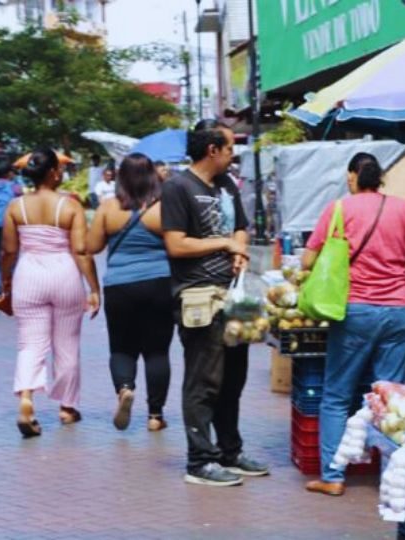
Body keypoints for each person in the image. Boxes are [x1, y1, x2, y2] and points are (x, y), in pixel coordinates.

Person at [302, 153, 405, 497]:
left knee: (336, 396)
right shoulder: (403, 207)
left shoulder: (339, 209)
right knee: (391, 398)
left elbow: (308, 260)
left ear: (354, 176)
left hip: (356, 311)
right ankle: (392, 476)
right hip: (400, 310)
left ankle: (332, 475)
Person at [161, 119, 268, 487]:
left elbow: (240, 226)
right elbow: (176, 244)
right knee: (203, 380)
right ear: (212, 150)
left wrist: (238, 247)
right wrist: (224, 244)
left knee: (232, 379)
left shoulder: (225, 184)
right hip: (198, 295)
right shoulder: (178, 188)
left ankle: (229, 451)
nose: (232, 154)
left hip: (232, 294)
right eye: (228, 148)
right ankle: (200, 461)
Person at [0, 148, 100, 437]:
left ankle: (27, 400)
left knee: (30, 343)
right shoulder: (69, 206)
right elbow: (81, 251)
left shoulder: (16, 207)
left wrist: (5, 283)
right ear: (54, 172)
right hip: (64, 274)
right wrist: (94, 288)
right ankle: (67, 407)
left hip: (28, 274)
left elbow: (8, 251)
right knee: (66, 343)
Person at [88, 153, 173, 432]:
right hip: (159, 283)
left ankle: (125, 388)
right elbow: (177, 247)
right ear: (153, 176)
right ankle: (155, 416)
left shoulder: (109, 208)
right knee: (157, 352)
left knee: (122, 348)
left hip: (119, 285)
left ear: (120, 177)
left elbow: (93, 246)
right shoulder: (163, 208)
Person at [0, 159, 22, 295]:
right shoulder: (15, 187)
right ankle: (9, 287)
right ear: (9, 173)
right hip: (9, 225)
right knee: (11, 254)